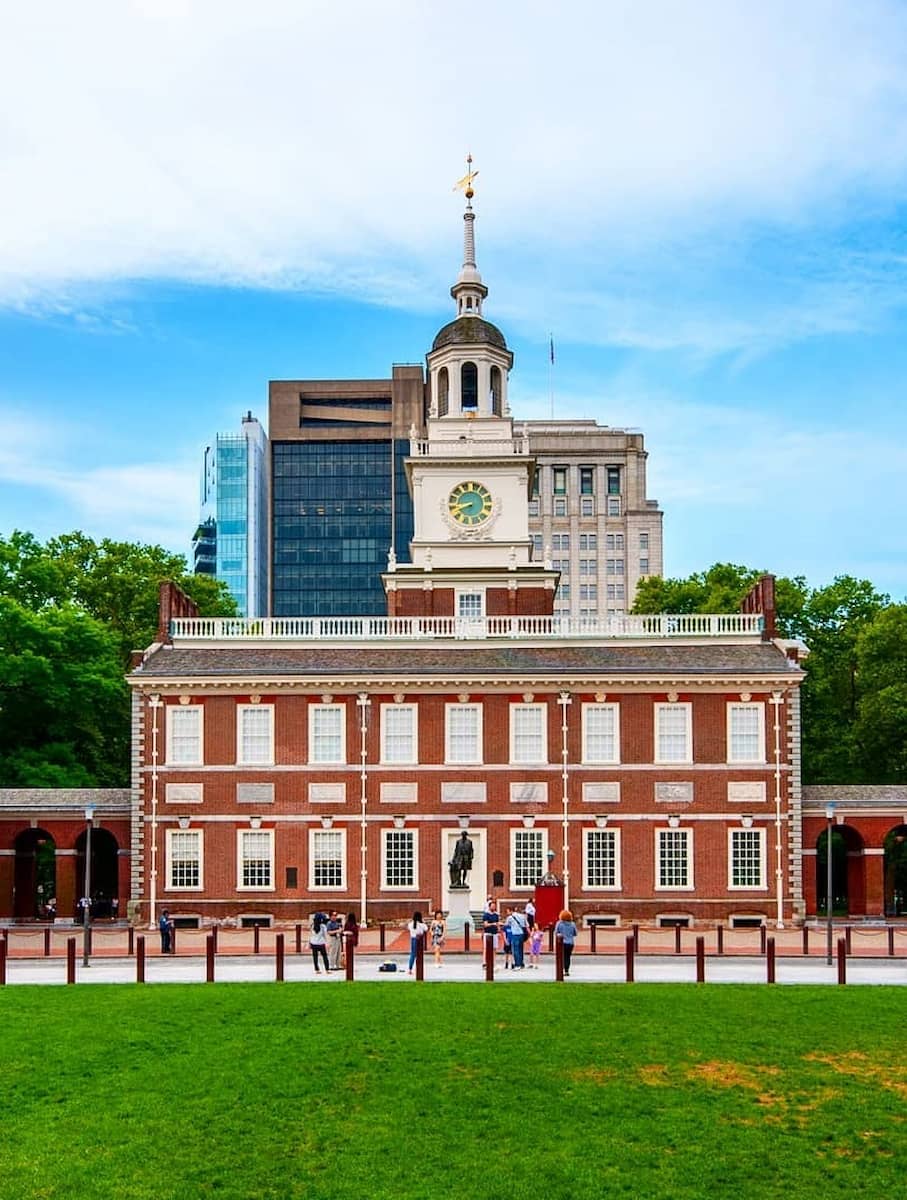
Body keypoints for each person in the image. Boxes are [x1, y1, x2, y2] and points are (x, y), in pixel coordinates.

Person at [555, 908, 578, 976]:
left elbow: (556, 932)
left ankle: (561, 970)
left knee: (561, 956)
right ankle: (567, 970)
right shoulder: (572, 924)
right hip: (570, 943)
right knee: (567, 956)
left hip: (562, 943)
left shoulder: (559, 923)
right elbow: (575, 933)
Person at [482, 898, 500, 968]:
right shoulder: (486, 915)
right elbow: (485, 924)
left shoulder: (496, 915)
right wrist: (493, 924)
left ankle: (494, 962)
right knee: (486, 948)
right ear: (489, 907)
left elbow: (497, 924)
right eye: (492, 906)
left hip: (495, 933)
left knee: (494, 948)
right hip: (488, 933)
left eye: (494, 906)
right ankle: (484, 962)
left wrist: (498, 930)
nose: (493, 907)